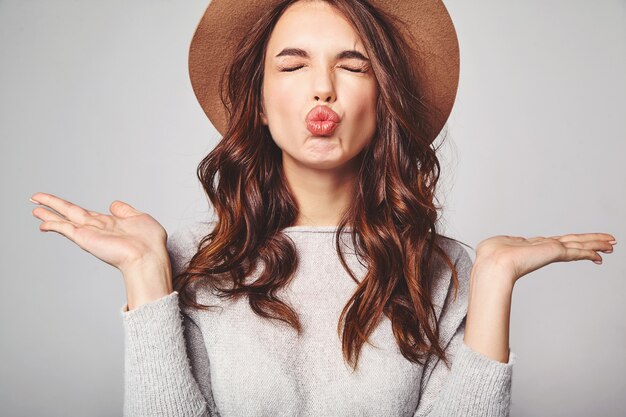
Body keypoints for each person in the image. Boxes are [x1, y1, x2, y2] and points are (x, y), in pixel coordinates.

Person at [30, 0, 616, 416]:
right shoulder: (189, 261)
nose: (323, 88)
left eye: (353, 64)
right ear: (258, 103)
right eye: (292, 64)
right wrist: (145, 277)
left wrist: (491, 278)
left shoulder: (448, 271)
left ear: (382, 97)